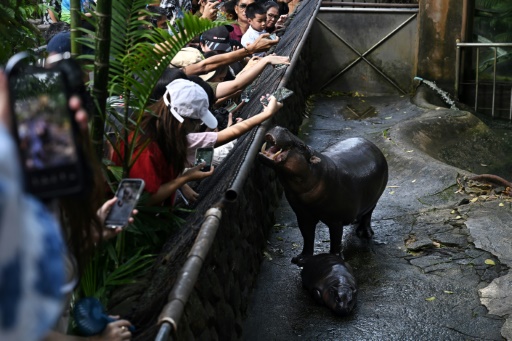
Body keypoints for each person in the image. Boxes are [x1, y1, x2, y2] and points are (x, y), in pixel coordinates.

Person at [112, 78, 283, 206]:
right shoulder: (144, 145)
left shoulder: (166, 133)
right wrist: (186, 178)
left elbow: (223, 136)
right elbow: (143, 199)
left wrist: (265, 114)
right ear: (181, 121)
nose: (196, 127)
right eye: (195, 122)